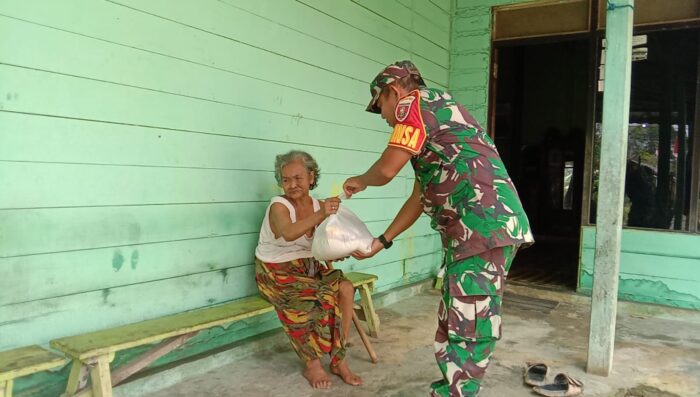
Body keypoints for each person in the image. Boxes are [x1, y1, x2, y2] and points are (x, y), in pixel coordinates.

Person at [343, 61, 534, 397]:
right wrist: (382, 241)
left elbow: (387, 170)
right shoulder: (437, 118)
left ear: (392, 91)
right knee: (456, 308)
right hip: (477, 229)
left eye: (380, 107)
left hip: (482, 226)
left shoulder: (412, 104)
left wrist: (360, 180)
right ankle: (452, 386)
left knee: (470, 316)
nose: (385, 117)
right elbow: (421, 196)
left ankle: (459, 391)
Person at [255, 150, 362, 389]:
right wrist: (322, 213)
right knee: (314, 298)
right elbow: (290, 232)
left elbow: (331, 240)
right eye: (286, 180)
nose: (292, 185)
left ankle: (338, 358)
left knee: (345, 288)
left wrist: (346, 250)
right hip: (275, 271)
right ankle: (312, 363)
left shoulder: (319, 205)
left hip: (308, 266)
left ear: (311, 177)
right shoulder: (279, 206)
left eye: (298, 178)